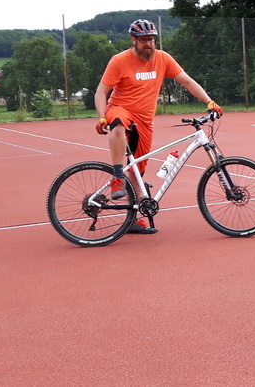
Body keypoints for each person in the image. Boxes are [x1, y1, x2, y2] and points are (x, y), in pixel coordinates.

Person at [94, 19, 223, 234]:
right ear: (133, 40)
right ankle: (117, 176)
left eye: (152, 40)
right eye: (144, 40)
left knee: (138, 171)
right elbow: (100, 92)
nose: (149, 44)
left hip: (145, 121)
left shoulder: (163, 59)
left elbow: (187, 81)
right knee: (117, 123)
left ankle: (132, 218)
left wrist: (209, 101)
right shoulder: (119, 61)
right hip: (121, 109)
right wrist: (101, 117)